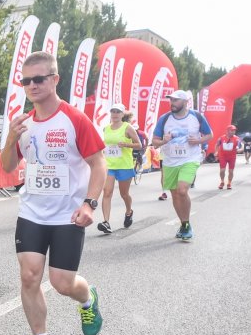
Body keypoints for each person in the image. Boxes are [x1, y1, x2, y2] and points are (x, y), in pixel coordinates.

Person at [0, 51, 107, 335]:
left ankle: (87, 298)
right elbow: (7, 167)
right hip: (32, 211)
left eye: (38, 79)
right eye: (26, 81)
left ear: (55, 79)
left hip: (68, 215)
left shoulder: (75, 119)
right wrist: (10, 137)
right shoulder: (23, 124)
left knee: (62, 283)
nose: (31, 85)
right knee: (29, 276)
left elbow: (98, 163)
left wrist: (90, 203)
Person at [151, 89, 213, 241]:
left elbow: (209, 135)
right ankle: (184, 223)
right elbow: (154, 141)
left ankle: (185, 225)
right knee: (175, 194)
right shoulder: (164, 119)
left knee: (182, 190)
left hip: (190, 159)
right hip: (170, 161)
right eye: (171, 100)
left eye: (176, 100)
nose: (172, 103)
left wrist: (198, 141)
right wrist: (164, 141)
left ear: (185, 102)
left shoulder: (196, 117)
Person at [97, 104, 141, 233]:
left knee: (124, 194)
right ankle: (106, 222)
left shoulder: (128, 127)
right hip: (109, 165)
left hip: (124, 166)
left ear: (122, 114)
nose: (115, 114)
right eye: (113, 111)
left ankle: (129, 211)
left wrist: (126, 144)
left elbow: (139, 145)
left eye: (118, 112)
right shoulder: (106, 129)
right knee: (107, 192)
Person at [215, 125, 240, 189]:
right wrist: (216, 152)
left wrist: (240, 149)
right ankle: (222, 181)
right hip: (223, 156)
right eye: (232, 130)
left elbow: (240, 145)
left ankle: (229, 183)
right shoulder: (221, 138)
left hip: (232, 157)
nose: (233, 132)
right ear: (227, 131)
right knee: (222, 171)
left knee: (231, 171)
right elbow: (217, 145)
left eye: (234, 130)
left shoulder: (236, 138)